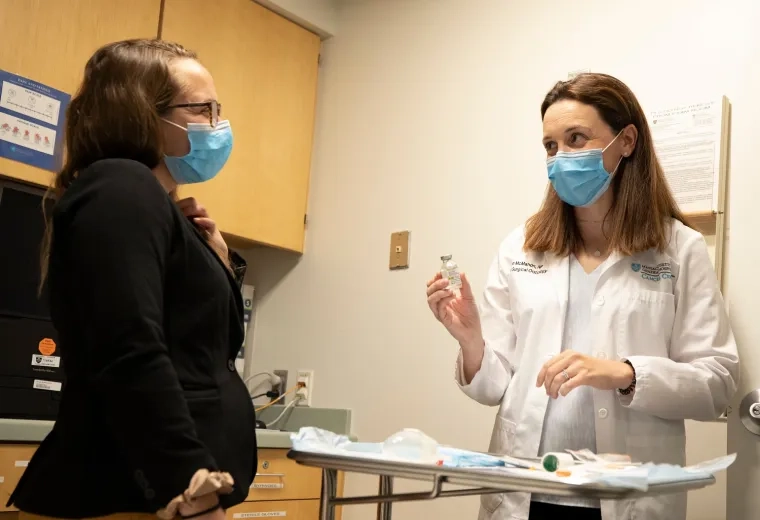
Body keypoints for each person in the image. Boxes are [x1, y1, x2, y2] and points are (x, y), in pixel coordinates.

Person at [426, 73, 739, 520]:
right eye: (551, 147)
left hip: (625, 496)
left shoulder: (679, 249)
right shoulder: (521, 247)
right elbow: (495, 388)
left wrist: (624, 373)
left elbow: (718, 382)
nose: (560, 158)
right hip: (526, 492)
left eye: (576, 139)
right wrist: (471, 340)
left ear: (626, 141)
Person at [8, 39, 257, 520]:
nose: (218, 124)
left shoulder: (158, 207)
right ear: (145, 116)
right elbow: (129, 350)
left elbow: (199, 344)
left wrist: (222, 263)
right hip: (130, 494)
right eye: (203, 109)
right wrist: (191, 489)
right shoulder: (120, 185)